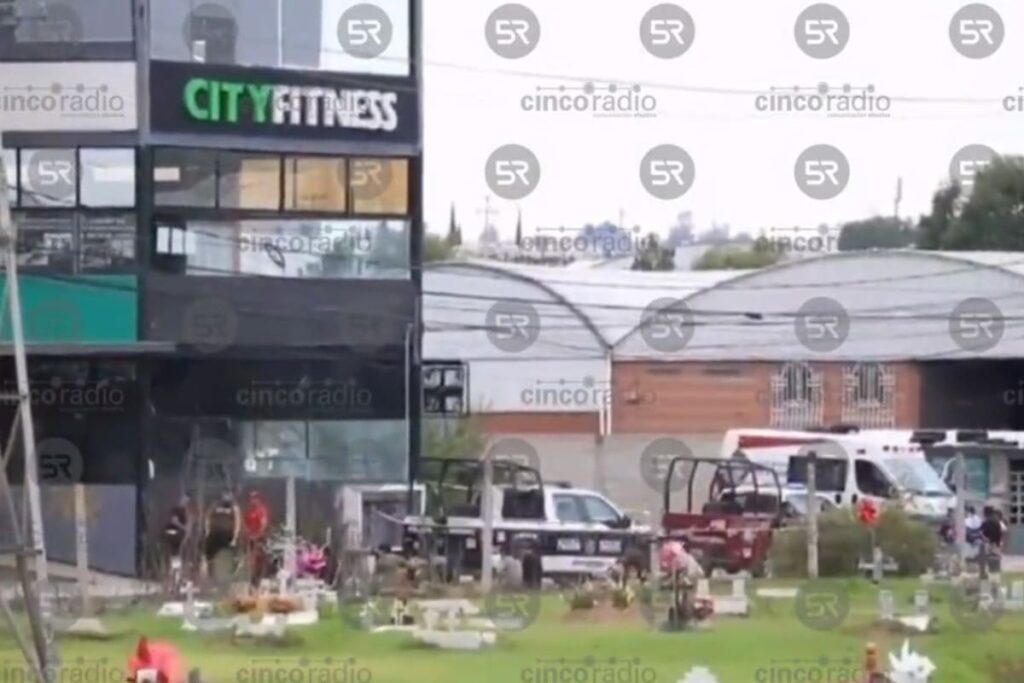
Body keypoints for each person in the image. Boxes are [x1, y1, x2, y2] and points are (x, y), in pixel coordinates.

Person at [203, 491, 241, 580]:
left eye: (227, 496)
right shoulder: (215, 505)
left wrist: (235, 536)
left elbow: (237, 521)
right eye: (224, 495)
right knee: (210, 551)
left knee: (232, 551)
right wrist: (207, 529)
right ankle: (210, 571)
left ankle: (234, 567)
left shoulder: (233, 507)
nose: (225, 497)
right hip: (215, 532)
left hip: (227, 533)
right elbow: (208, 516)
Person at [243, 490, 270, 587]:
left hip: (259, 538)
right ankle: (251, 580)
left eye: (254, 499)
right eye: (251, 499)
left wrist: (258, 535)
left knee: (258, 559)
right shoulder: (250, 511)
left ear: (258, 499)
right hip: (251, 538)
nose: (252, 501)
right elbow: (246, 523)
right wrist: (247, 533)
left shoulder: (262, 510)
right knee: (251, 559)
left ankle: (258, 580)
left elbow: (264, 523)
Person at [162, 496, 191, 583]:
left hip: (178, 535)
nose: (185, 503)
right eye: (184, 501)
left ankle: (176, 575)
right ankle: (173, 574)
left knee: (177, 554)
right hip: (172, 533)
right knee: (174, 552)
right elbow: (174, 521)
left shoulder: (186, 513)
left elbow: (188, 524)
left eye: (187, 502)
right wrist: (184, 528)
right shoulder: (176, 510)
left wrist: (186, 533)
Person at [980, 506, 1004, 578]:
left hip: (988, 545)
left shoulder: (985, 523)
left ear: (985, 513)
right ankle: (996, 580)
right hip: (996, 545)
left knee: (987, 563)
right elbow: (1000, 534)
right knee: (995, 565)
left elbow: (983, 535)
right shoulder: (997, 523)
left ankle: (986, 577)